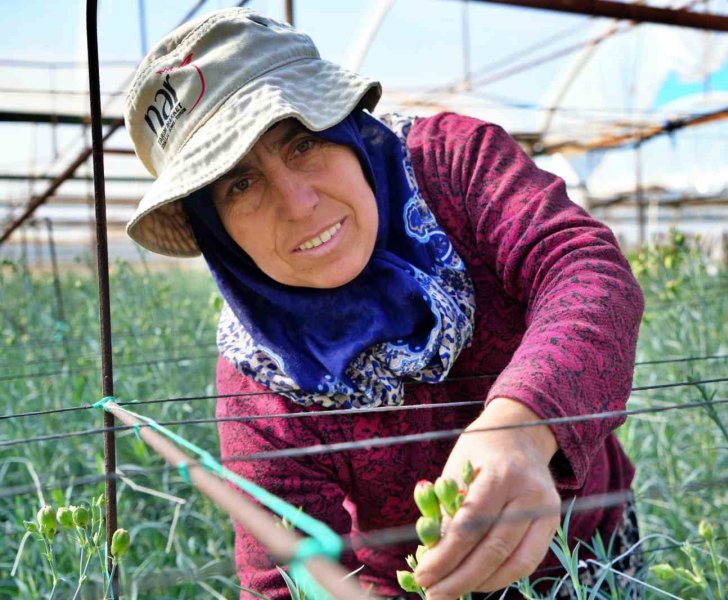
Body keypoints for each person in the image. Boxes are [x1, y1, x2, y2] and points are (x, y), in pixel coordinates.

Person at [124, 8, 645, 599]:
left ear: (346, 127)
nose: (298, 203)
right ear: (216, 231)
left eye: (303, 141)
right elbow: (283, 579)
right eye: (239, 184)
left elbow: (583, 268)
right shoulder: (261, 379)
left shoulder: (455, 167)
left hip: (591, 550)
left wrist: (520, 429)